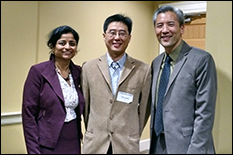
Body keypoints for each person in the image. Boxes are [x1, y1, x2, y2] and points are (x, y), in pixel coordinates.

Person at [149, 5, 217, 154]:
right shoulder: (155, 62)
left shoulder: (201, 60)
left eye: (170, 24)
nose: (164, 30)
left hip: (188, 147)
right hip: (158, 145)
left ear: (182, 28)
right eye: (159, 25)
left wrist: (195, 151)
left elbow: (205, 113)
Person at [81, 13, 151, 154]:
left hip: (126, 144)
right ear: (104, 36)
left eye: (122, 33)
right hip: (95, 144)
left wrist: (132, 133)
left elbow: (144, 110)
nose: (117, 38)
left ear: (129, 38)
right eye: (112, 33)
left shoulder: (143, 70)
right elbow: (86, 107)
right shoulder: (89, 68)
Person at [22, 25, 85, 154]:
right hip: (47, 142)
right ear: (52, 46)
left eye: (72, 43)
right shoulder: (38, 72)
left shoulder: (79, 72)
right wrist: (33, 150)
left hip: (73, 139)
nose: (67, 47)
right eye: (62, 43)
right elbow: (28, 115)